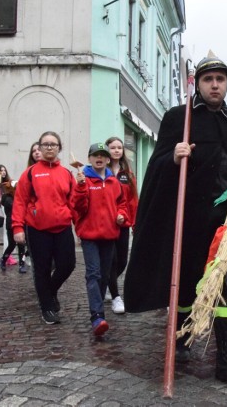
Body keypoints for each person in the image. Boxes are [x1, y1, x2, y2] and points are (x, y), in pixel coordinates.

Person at [124, 54, 227, 389]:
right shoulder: (177, 118)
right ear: (198, 83)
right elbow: (156, 168)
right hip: (190, 219)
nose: (215, 85)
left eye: (221, 80)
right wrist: (173, 156)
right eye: (209, 79)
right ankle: (182, 331)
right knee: (186, 281)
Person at [12, 131, 77, 325]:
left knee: (68, 265)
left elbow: (73, 202)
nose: (49, 147)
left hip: (63, 227)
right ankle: (47, 307)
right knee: (41, 269)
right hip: (37, 229)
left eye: (53, 144)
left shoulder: (66, 173)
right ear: (39, 148)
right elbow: (20, 201)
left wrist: (77, 226)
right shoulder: (30, 173)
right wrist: (17, 228)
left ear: (59, 148)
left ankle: (49, 292)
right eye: (45, 144)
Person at [72, 143, 128, 335]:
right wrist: (80, 188)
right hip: (90, 236)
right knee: (93, 274)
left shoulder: (114, 182)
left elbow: (122, 203)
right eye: (96, 154)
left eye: (103, 155)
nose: (100, 158)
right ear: (89, 158)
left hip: (109, 234)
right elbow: (78, 208)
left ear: (107, 159)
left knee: (105, 274)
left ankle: (99, 312)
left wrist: (121, 215)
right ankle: (97, 316)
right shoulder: (83, 179)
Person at [104, 136, 139, 314]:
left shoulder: (127, 173)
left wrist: (135, 222)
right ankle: (116, 296)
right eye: (113, 147)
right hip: (107, 223)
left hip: (123, 222)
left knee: (123, 261)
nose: (117, 150)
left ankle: (106, 284)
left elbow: (133, 199)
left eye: (119, 147)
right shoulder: (102, 170)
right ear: (107, 150)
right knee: (112, 260)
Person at [0, 165, 27, 273]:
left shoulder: (17, 197)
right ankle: (4, 259)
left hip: (21, 222)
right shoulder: (6, 198)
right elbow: (12, 206)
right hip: (11, 223)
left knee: (22, 245)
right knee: (12, 244)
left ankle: (22, 264)